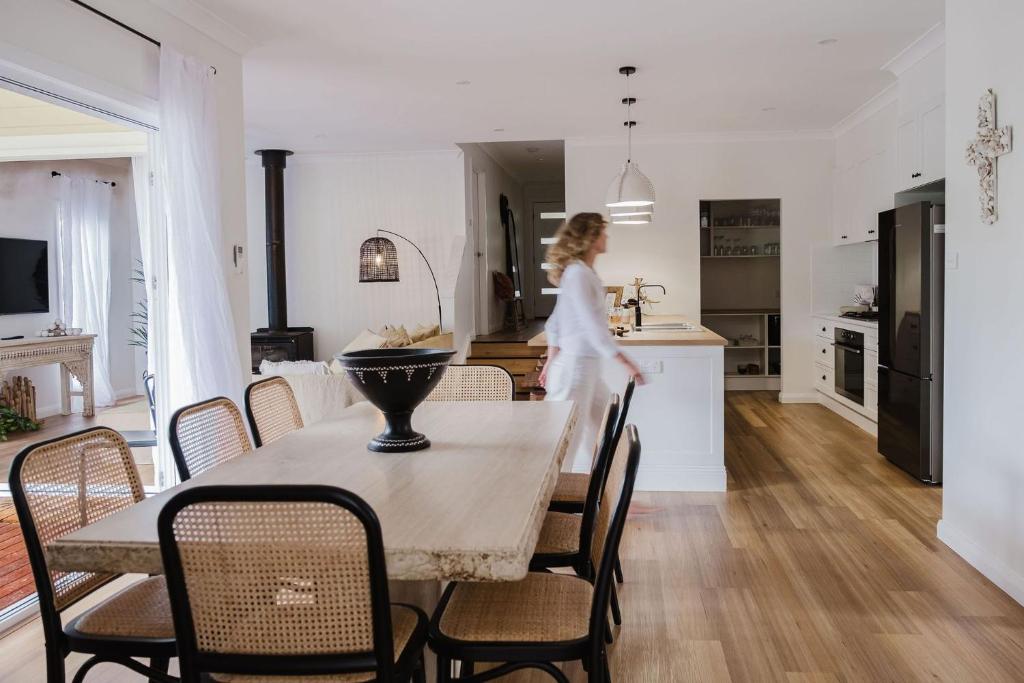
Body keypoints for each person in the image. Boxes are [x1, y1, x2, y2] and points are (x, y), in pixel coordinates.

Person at [539, 212, 644, 472]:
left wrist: (550, 360)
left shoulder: (582, 272)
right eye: (603, 231)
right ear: (591, 236)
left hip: (585, 369)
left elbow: (555, 322)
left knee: (606, 427)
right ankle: (554, 504)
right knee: (566, 444)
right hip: (575, 370)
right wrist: (625, 362)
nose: (606, 236)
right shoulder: (577, 274)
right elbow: (591, 327)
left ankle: (608, 496)